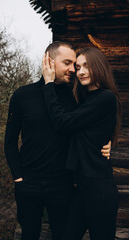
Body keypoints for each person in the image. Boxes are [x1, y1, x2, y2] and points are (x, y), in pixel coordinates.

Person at [4, 42, 111, 240]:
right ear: (49, 62)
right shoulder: (22, 95)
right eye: (68, 63)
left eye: (75, 66)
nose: (73, 70)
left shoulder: (77, 96)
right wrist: (18, 178)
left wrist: (106, 142)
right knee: (29, 234)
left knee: (62, 235)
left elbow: (97, 122)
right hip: (28, 182)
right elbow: (10, 141)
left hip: (62, 184)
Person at [42, 46, 121, 240]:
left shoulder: (105, 98)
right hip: (83, 188)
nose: (81, 72)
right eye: (78, 67)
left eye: (87, 66)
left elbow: (63, 122)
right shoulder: (85, 99)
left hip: (99, 189)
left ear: (99, 66)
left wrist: (48, 84)